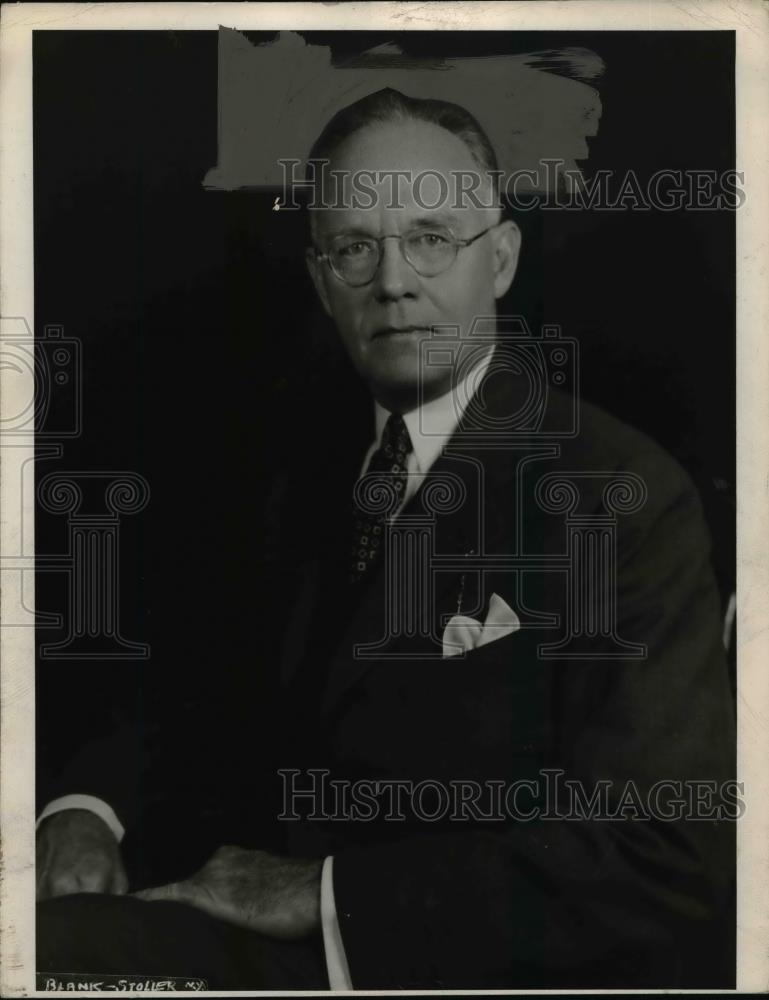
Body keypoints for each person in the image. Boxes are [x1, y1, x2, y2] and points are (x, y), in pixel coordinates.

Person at [36, 88, 735, 990]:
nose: (393, 280)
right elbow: (178, 690)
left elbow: (667, 853)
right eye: (355, 248)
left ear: (502, 260)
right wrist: (86, 809)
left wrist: (327, 896)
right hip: (228, 936)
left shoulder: (618, 494)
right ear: (320, 282)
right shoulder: (281, 461)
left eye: (431, 239)